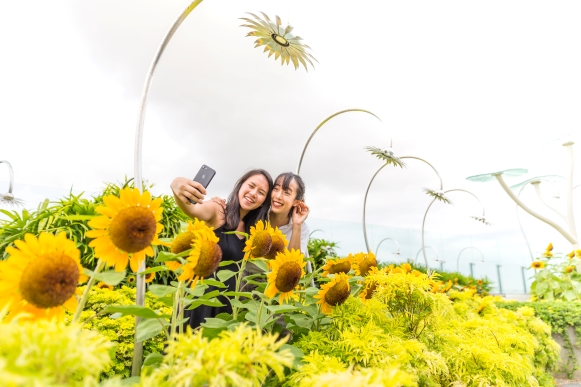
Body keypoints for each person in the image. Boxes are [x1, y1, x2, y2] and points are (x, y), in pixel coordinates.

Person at [170, 169, 273, 329]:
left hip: (228, 306)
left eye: (261, 192)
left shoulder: (253, 232)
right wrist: (177, 184)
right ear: (240, 186)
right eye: (251, 186)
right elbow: (192, 209)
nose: (253, 193)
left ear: (264, 201)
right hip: (201, 299)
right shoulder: (218, 210)